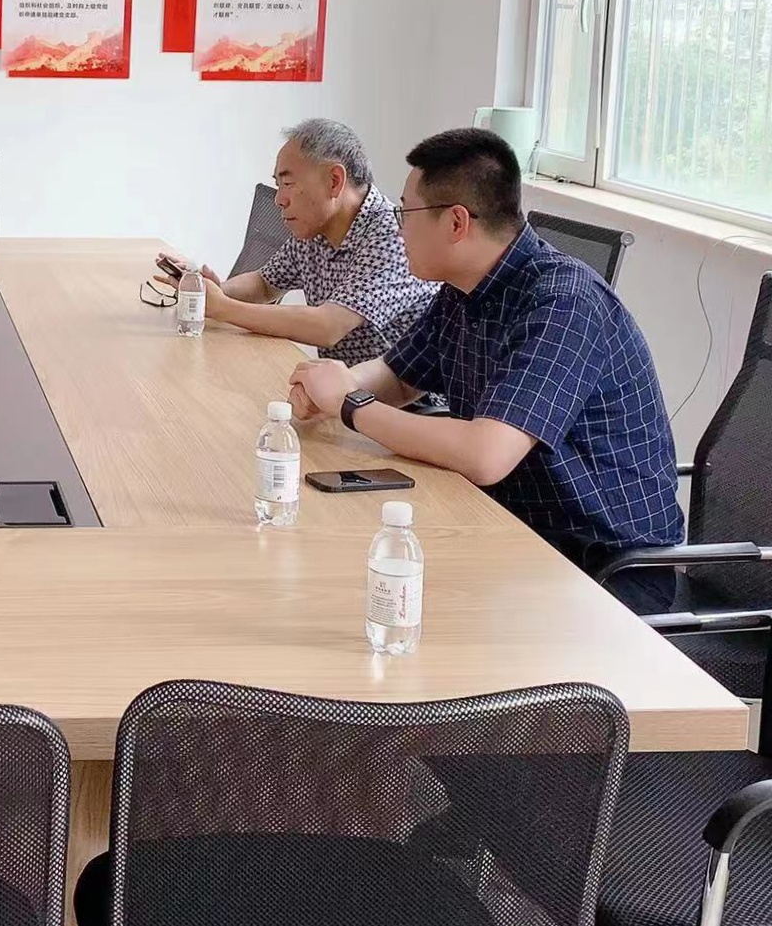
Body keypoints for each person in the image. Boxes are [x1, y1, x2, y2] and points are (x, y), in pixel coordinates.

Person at [286, 127, 683, 608]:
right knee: (342, 572)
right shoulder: (463, 289)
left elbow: (486, 454)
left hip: (602, 574)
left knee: (376, 598)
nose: (397, 228)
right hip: (507, 529)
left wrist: (351, 405)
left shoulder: (564, 304)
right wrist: (336, 383)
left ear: (456, 222)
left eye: (405, 213)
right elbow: (400, 376)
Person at [158, 119, 438, 364]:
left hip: (403, 402)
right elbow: (265, 284)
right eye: (278, 185)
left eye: (288, 183)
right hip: (341, 388)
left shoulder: (392, 236)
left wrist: (224, 307)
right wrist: (211, 291)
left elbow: (328, 326)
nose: (279, 199)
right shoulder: (315, 229)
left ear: (334, 181)